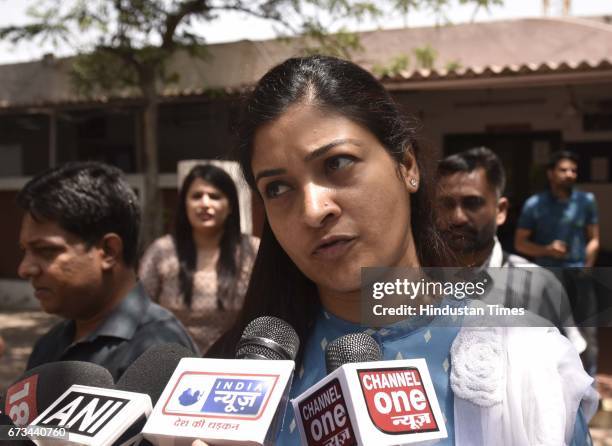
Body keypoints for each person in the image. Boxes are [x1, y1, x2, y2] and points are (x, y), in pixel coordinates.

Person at [206, 56, 596, 445]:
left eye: (337, 163)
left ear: (407, 165)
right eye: (277, 187)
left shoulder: (525, 360)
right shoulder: (236, 375)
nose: (313, 210)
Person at [17, 162, 199, 380]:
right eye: (25, 251)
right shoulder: (49, 344)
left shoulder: (159, 353)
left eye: (46, 251)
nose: (25, 269)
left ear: (108, 251)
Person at [436, 147, 586, 352]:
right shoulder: (413, 281)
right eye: (446, 204)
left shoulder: (539, 285)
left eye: (472, 203)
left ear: (500, 210)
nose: (457, 218)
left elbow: (572, 369)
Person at [139, 164, 259, 353]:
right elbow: (140, 312)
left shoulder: (253, 251)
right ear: (184, 204)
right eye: (196, 196)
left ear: (230, 206)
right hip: (173, 364)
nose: (205, 203)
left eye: (214, 196)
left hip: (235, 364)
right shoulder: (161, 251)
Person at [515, 150, 599, 376]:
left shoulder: (586, 201)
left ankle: (587, 391)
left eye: (573, 170)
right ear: (550, 174)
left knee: (587, 335)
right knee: (548, 333)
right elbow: (520, 243)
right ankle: (553, 385)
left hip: (579, 277)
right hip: (546, 279)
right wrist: (546, 249)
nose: (570, 174)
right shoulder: (535, 204)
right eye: (563, 170)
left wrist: (587, 265)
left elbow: (594, 240)